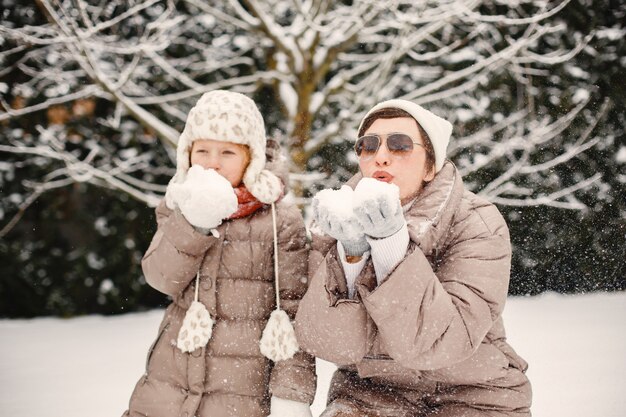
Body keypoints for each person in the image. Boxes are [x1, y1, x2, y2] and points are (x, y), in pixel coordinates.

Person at [295, 99, 532, 417]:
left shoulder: (479, 223)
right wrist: (350, 254)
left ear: (431, 166)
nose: (380, 156)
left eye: (400, 145)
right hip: (371, 395)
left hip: (475, 395)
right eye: (367, 145)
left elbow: (438, 344)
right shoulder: (336, 222)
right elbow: (332, 345)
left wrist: (390, 243)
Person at [123, 90, 316, 417]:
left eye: (227, 151)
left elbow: (296, 310)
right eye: (203, 150)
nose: (213, 162)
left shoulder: (279, 220)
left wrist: (291, 394)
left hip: (240, 393)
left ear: (251, 158)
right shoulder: (178, 206)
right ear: (187, 155)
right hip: (169, 385)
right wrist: (194, 224)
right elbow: (161, 278)